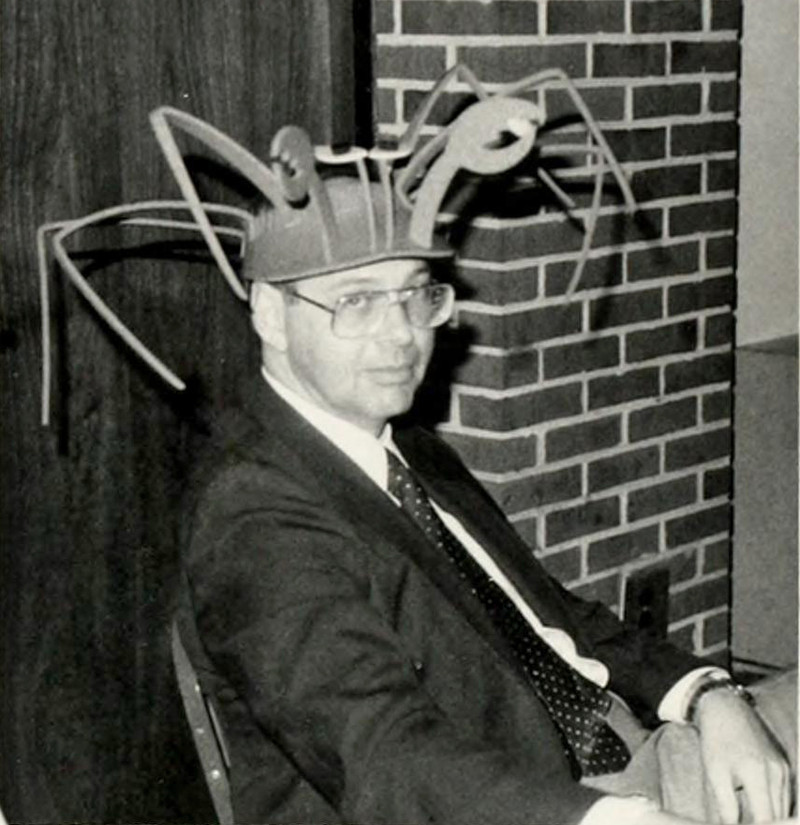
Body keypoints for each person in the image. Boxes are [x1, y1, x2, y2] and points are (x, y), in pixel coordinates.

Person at [177, 167, 796, 824]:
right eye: (357, 302)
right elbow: (384, 754)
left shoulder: (409, 447)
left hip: (630, 762)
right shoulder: (251, 508)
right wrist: (612, 819)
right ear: (270, 314)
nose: (402, 333)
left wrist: (708, 692)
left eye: (416, 295)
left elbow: (557, 617)